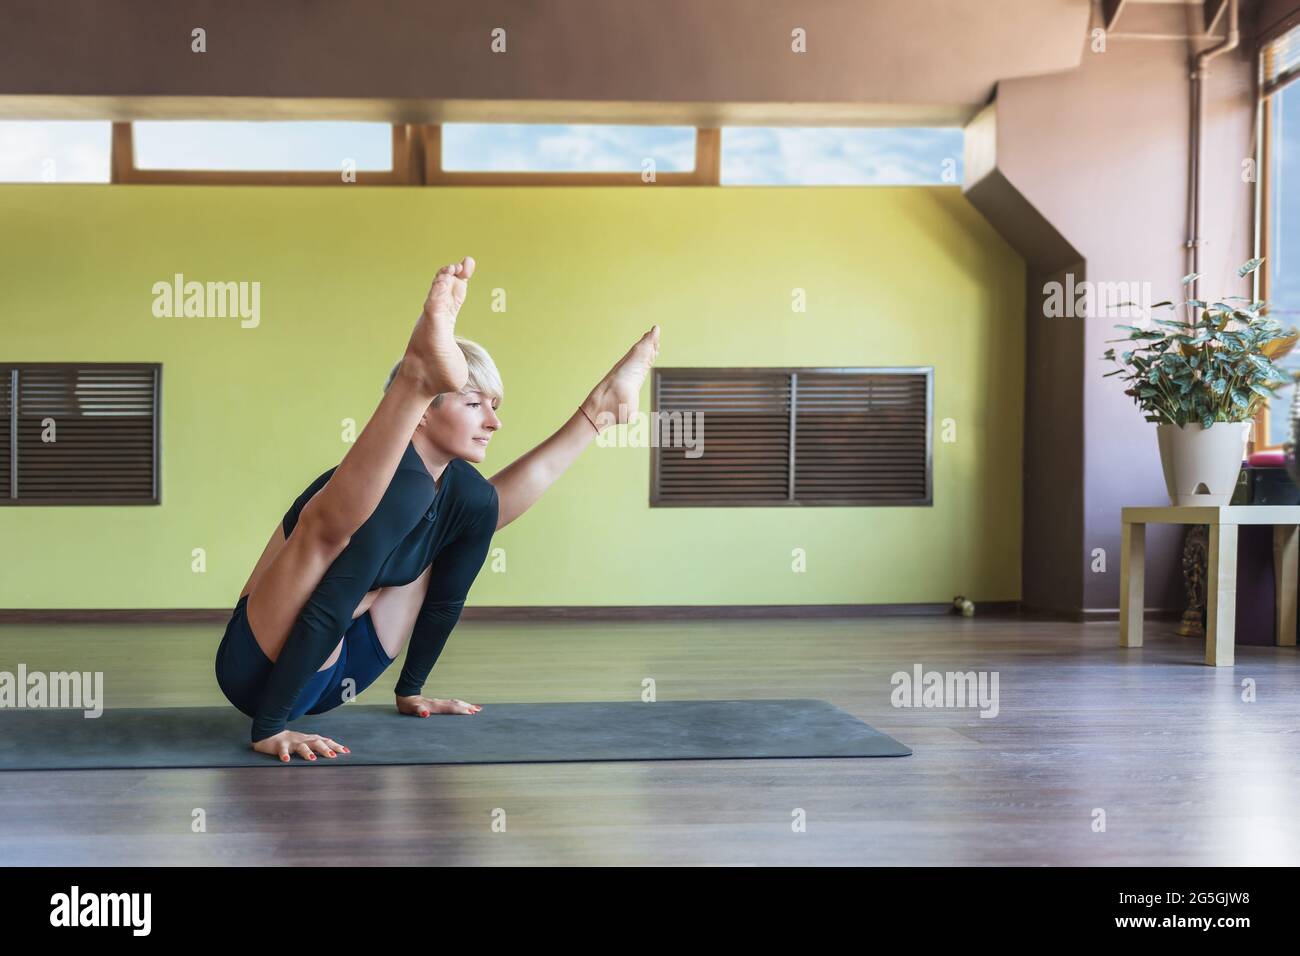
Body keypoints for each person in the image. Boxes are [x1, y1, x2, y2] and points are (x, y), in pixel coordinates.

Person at [213, 256, 660, 761]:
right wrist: (268, 727)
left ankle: (598, 413)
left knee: (475, 506)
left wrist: (412, 691)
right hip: (259, 668)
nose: (493, 422)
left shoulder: (461, 494)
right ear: (426, 414)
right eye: (474, 404)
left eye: (495, 406)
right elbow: (331, 598)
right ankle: (415, 377)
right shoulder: (378, 488)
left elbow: (447, 598)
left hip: (346, 667)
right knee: (337, 529)